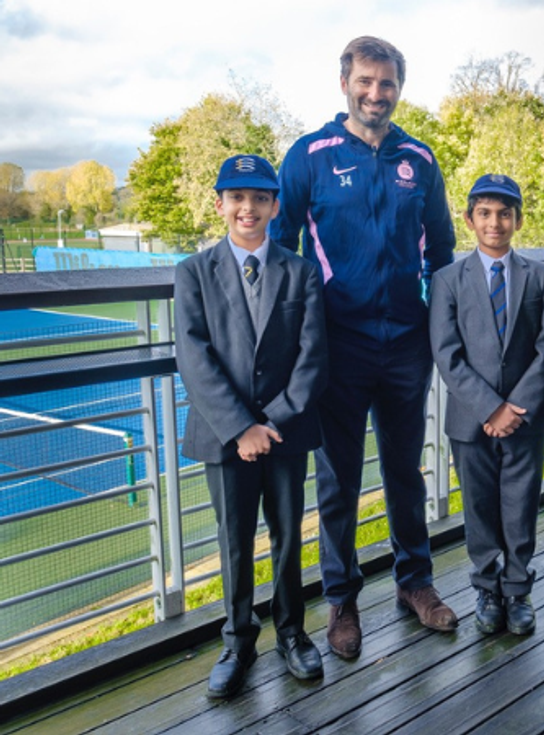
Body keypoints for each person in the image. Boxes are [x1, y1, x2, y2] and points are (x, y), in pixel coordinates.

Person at [271, 36, 457, 660]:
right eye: (366, 81)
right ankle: (343, 600)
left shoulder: (420, 159)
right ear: (345, 82)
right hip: (338, 349)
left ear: (398, 89)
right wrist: (300, 332)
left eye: (387, 84)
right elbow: (281, 249)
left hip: (406, 344)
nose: (376, 94)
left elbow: (442, 251)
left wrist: (435, 322)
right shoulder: (309, 156)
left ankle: (415, 583)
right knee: (339, 482)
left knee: (406, 471)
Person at [175, 154, 329, 698]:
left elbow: (313, 357)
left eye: (259, 198)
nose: (248, 207)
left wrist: (273, 422)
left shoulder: (300, 271)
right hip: (225, 437)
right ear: (220, 204)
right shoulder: (193, 272)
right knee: (236, 540)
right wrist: (242, 428)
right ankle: (238, 640)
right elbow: (193, 357)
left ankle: (292, 633)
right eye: (237, 197)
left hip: (285, 435)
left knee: (289, 538)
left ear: (274, 206)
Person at [429, 174, 544, 636]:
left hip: (524, 419)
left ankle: (518, 588)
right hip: (471, 420)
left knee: (521, 505)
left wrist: (516, 406)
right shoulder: (447, 280)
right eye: (484, 213)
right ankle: (486, 587)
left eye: (505, 213)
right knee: (480, 507)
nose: (495, 222)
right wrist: (490, 408)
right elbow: (447, 353)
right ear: (469, 220)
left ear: (519, 220)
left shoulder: (541, 277)